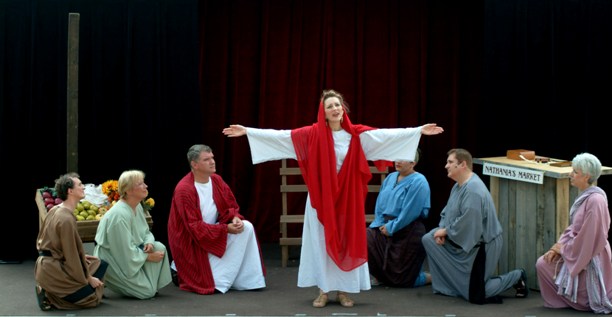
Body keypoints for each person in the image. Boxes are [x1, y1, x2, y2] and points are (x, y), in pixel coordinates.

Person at [222, 89, 443, 308]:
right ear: (323, 112)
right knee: (321, 243)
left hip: (347, 200)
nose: (335, 109)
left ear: (343, 108)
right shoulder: (311, 135)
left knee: (346, 243)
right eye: (330, 106)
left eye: (338, 105)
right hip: (321, 200)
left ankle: (345, 291)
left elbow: (386, 136)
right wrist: (249, 132)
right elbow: (282, 136)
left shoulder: (356, 135)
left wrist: (418, 131)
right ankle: (323, 291)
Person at [535, 152, 612, 313]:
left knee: (595, 301)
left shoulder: (595, 200)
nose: (571, 174)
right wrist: (558, 246)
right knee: (543, 264)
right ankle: (567, 300)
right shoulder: (585, 196)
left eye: (575, 172)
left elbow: (590, 237)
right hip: (577, 248)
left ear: (586, 176)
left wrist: (563, 249)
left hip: (592, 252)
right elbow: (574, 228)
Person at [421, 148, 527, 304]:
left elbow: (469, 224)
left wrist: (445, 231)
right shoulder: (458, 186)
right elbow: (446, 213)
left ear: (463, 164)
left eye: (450, 162)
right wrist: (441, 230)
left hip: (482, 246)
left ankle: (516, 276)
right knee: (429, 239)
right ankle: (457, 286)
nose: (446, 166)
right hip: (463, 239)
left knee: (476, 294)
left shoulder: (473, 190)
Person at [167, 144, 266, 295]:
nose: (212, 161)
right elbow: (193, 226)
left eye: (212, 157)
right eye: (207, 159)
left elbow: (230, 206)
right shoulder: (184, 189)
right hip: (193, 242)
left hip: (211, 234)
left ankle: (247, 280)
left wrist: (234, 218)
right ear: (194, 164)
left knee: (246, 227)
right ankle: (216, 281)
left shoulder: (216, 180)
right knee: (238, 231)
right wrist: (225, 229)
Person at [34, 173, 108, 311]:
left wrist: (81, 257)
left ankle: (55, 292)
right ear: (70, 191)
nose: (83, 188)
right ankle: (51, 296)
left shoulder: (56, 210)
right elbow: (71, 256)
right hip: (54, 270)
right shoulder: (65, 219)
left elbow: (49, 242)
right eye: (80, 185)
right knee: (92, 300)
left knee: (100, 264)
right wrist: (88, 278)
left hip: (49, 265)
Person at [93, 170, 172, 299]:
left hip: (130, 254)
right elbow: (122, 251)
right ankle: (115, 280)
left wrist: (149, 243)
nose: (145, 186)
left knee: (159, 247)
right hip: (113, 259)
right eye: (140, 184)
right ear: (128, 191)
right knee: (146, 292)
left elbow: (146, 232)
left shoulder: (137, 206)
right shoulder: (119, 216)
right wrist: (148, 257)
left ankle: (148, 285)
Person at [367, 149, 432, 288]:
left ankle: (428, 278)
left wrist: (391, 227)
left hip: (408, 229)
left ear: (413, 163)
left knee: (402, 280)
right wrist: (379, 223)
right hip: (384, 225)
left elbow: (410, 211)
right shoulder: (391, 177)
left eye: (403, 158)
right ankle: (381, 276)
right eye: (397, 158)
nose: (398, 161)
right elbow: (380, 203)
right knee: (367, 238)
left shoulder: (419, 181)